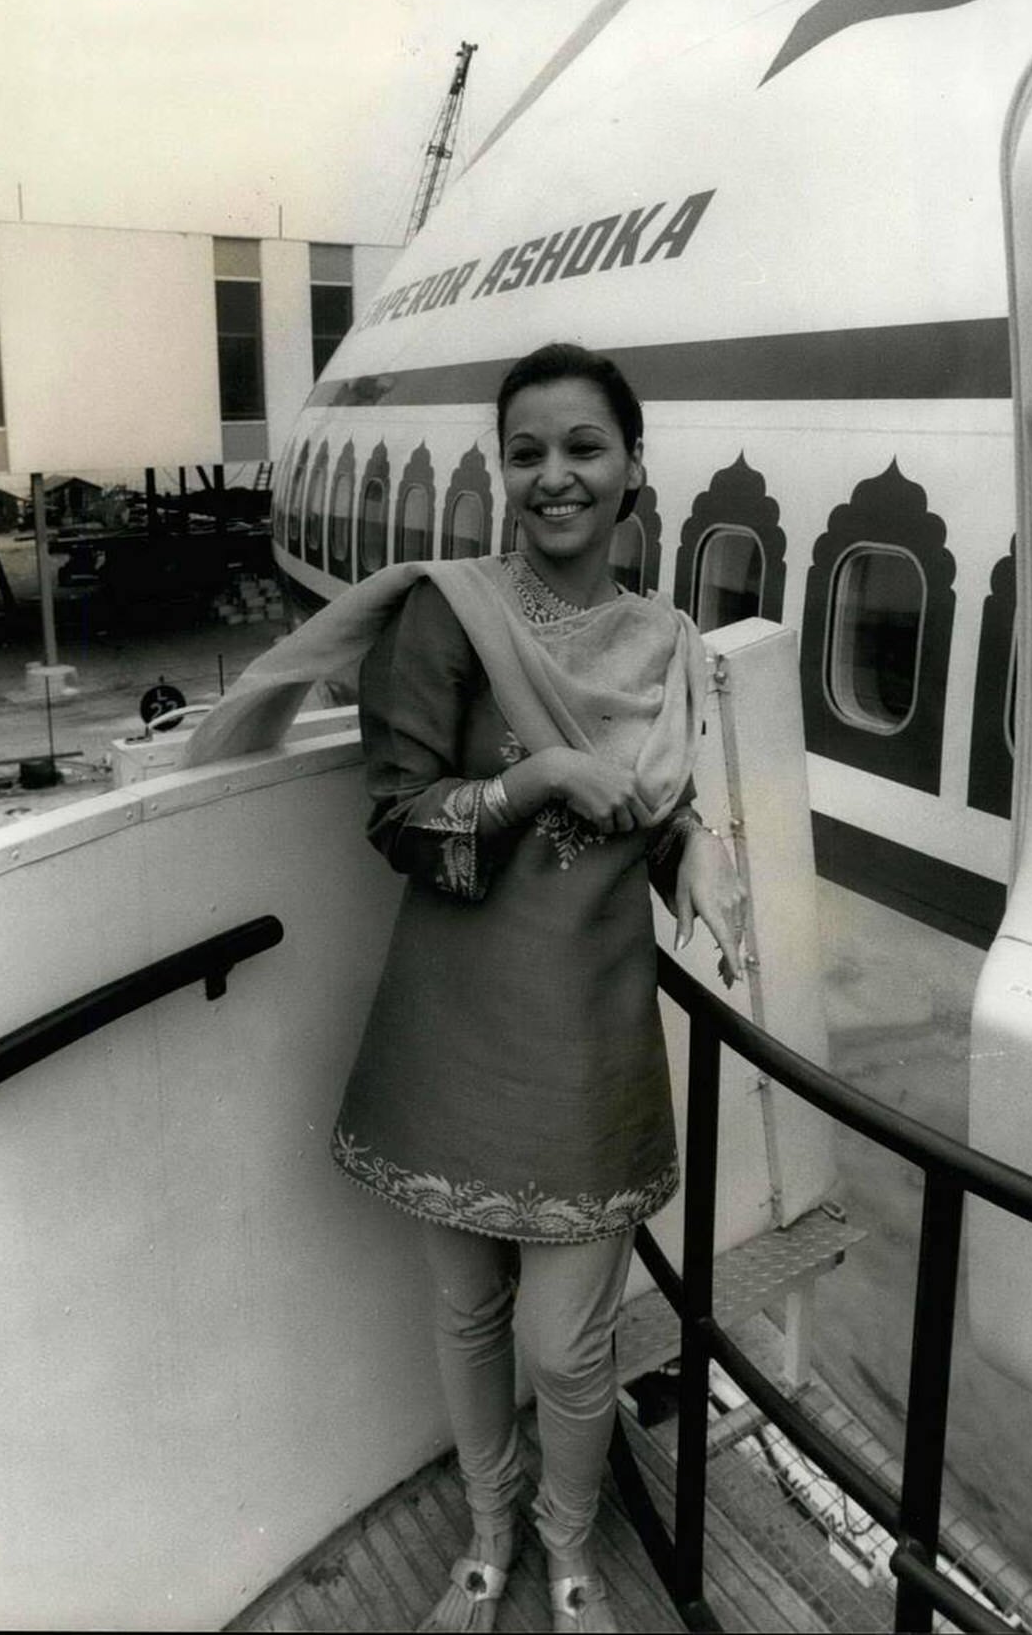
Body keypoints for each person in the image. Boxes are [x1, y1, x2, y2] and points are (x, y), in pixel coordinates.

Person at [328, 343, 747, 1634]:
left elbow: (657, 809)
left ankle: (571, 1550)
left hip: (591, 1029)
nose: (554, 474)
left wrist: (697, 860)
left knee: (569, 1344)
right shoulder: (445, 611)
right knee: (469, 1307)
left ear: (632, 468)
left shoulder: (669, 639)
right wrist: (542, 778)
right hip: (456, 1024)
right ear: (501, 470)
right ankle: (491, 1536)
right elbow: (400, 819)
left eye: (584, 448)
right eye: (527, 452)